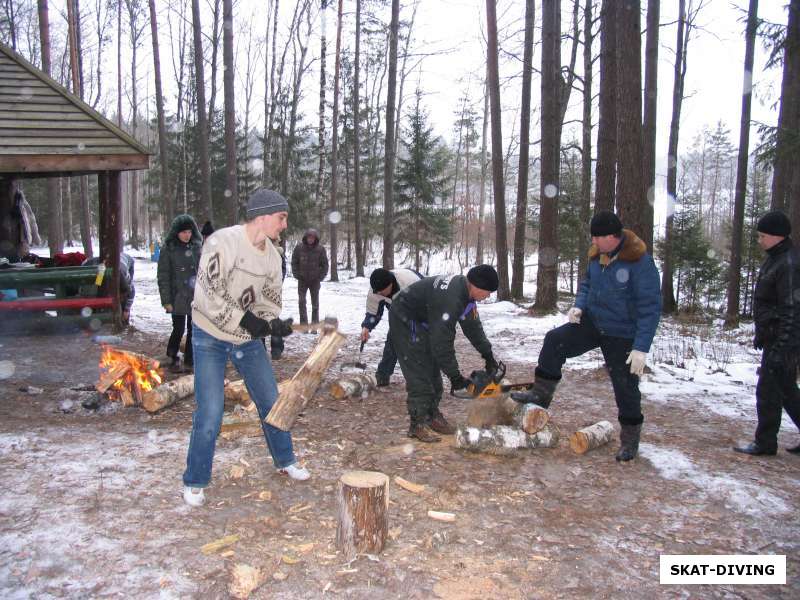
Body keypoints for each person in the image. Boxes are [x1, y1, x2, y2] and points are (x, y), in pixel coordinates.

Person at [182, 188, 308, 507]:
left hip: (246, 341)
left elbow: (270, 300)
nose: (284, 225)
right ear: (263, 216)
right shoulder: (221, 243)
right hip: (208, 336)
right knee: (210, 411)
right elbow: (208, 296)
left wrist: (269, 322)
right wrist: (249, 321)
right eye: (281, 218)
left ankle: (285, 460)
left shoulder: (273, 256)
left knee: (271, 402)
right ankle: (195, 480)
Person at [511, 211, 661, 462]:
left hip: (622, 333)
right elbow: (587, 284)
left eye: (597, 238)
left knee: (625, 387)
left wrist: (641, 347)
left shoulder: (639, 263)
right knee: (554, 340)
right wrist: (579, 305)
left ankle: (630, 439)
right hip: (592, 324)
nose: (593, 242)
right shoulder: (597, 256)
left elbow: (650, 308)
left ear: (612, 237)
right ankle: (540, 395)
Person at [388, 265, 500, 443]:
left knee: (432, 367)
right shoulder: (452, 299)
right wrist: (455, 377)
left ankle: (431, 415)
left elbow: (473, 329)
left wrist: (488, 356)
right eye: (487, 292)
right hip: (405, 317)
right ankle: (417, 424)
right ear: (477, 286)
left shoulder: (467, 297)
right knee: (419, 371)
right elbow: (442, 343)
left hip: (424, 319)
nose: (488, 296)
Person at [733, 210, 800, 456]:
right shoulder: (776, 258)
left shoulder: (789, 263)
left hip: (784, 341)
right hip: (775, 337)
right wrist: (763, 333)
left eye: (762, 236)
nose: (759, 240)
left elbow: (792, 310)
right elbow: (768, 302)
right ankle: (766, 441)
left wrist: (783, 346)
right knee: (785, 390)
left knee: (770, 391)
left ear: (776, 236)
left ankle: (765, 442)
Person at [361, 267, 423, 386]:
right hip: (398, 313)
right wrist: (366, 327)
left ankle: (422, 378)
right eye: (377, 291)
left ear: (390, 284)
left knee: (419, 344)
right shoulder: (376, 290)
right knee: (393, 340)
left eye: (381, 291)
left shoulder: (411, 283)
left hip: (421, 309)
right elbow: (373, 312)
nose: (379, 294)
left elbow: (428, 302)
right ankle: (383, 375)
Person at [158, 214, 203, 371]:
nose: (187, 235)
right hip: (177, 296)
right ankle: (172, 356)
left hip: (195, 296)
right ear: (177, 232)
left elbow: (204, 272)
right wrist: (166, 301)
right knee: (178, 328)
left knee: (194, 329)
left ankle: (190, 359)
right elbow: (163, 276)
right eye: (184, 232)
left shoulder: (197, 248)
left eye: (189, 232)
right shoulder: (169, 249)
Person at [291, 228, 328, 328]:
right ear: (306, 238)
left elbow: (325, 265)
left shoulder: (320, 249)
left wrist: (320, 277)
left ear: (315, 238)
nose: (310, 239)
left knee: (315, 304)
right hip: (302, 280)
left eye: (312, 238)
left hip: (315, 281)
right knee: (302, 302)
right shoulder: (299, 248)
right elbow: (294, 262)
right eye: (309, 237)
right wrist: (296, 274)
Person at [82, 253, 135, 324]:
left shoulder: (123, 272)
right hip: (98, 268)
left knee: (124, 292)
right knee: (97, 289)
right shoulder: (88, 267)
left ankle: (124, 320)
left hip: (125, 262)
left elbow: (131, 291)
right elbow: (95, 286)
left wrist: (126, 310)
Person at [269, 236, 288, 360]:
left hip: (272, 290)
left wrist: (276, 284)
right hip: (259, 290)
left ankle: (276, 348)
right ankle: (265, 348)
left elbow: (282, 271)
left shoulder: (277, 253)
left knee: (273, 318)